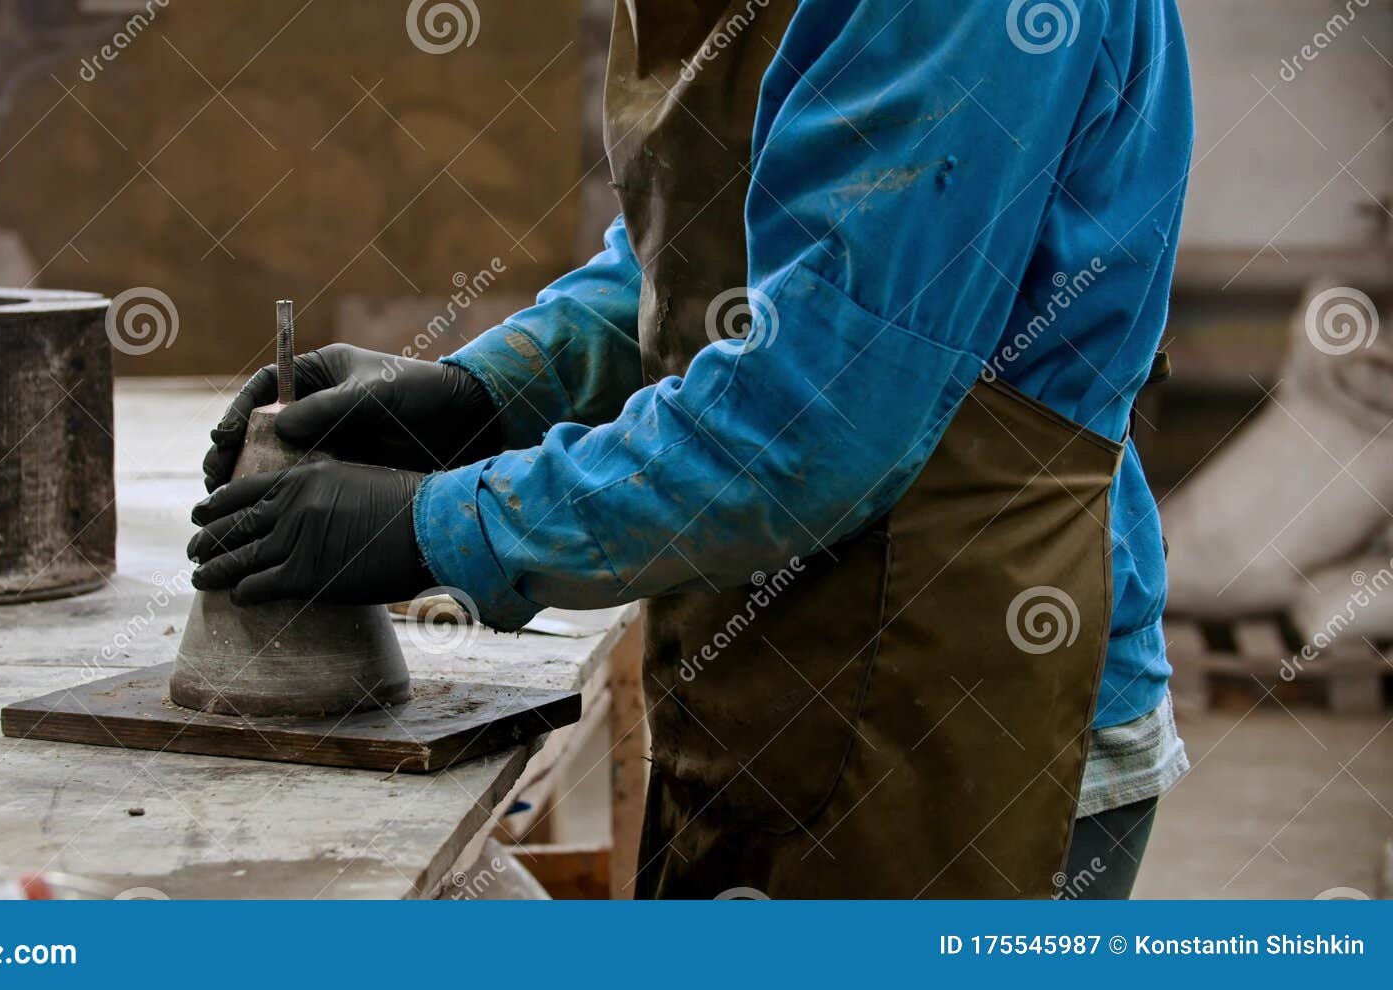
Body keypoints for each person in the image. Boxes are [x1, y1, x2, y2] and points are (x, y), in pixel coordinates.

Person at [188, 0, 1193, 899]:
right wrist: (486, 392)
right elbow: (711, 252)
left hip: (968, 699)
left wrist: (441, 526)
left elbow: (818, 416)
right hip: (765, 673)